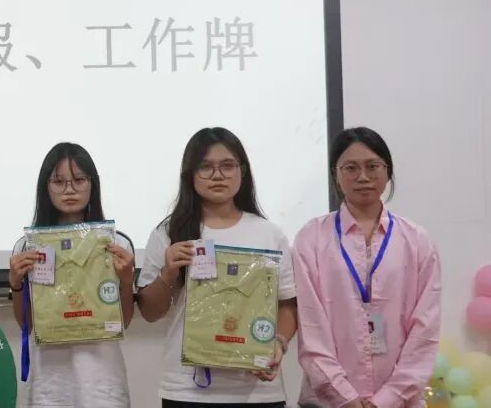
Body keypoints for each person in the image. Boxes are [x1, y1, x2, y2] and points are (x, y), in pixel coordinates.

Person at [137, 127, 298, 408]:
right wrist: (168, 273)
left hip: (258, 391)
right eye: (206, 167)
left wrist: (279, 342)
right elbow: (150, 313)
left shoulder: (269, 233)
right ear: (190, 174)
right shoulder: (168, 233)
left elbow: (288, 304)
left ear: (242, 171)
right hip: (186, 390)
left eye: (227, 165)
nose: (218, 175)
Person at [294, 127, 440, 408]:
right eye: (350, 167)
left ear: (388, 171)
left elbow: (425, 328)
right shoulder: (311, 237)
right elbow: (311, 328)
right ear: (336, 174)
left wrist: (386, 399)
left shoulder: (417, 240)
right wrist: (345, 398)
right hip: (328, 402)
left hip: (401, 402)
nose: (362, 176)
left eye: (373, 166)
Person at [8, 142, 135, 407]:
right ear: (45, 187)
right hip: (50, 383)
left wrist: (126, 281)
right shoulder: (28, 247)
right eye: (59, 181)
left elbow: (123, 321)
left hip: (103, 382)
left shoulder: (116, 244)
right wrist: (16, 284)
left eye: (79, 180)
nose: (69, 189)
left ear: (92, 184)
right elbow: (26, 324)